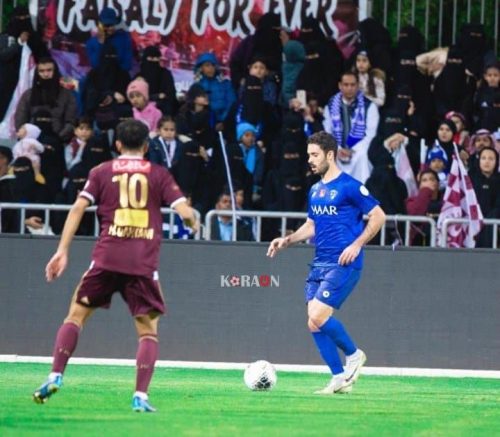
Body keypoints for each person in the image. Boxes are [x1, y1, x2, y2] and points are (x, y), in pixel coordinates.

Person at [32, 120, 199, 412]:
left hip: (106, 259)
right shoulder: (158, 174)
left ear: (118, 145)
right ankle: (140, 396)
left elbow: (78, 208)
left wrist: (62, 250)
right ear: (147, 146)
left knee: (75, 317)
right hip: (142, 264)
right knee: (148, 333)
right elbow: (185, 212)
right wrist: (191, 219)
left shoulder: (101, 171)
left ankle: (55, 374)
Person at [267, 131, 385, 394]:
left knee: (318, 314)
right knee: (313, 321)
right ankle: (339, 377)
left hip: (344, 262)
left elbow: (378, 216)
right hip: (319, 262)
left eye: (314, 155)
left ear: (330, 155)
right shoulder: (315, 190)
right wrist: (287, 240)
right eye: (309, 154)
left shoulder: (350, 187)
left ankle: (354, 355)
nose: (309, 160)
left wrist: (356, 245)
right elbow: (312, 225)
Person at [323, 72, 380, 183]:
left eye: (352, 85)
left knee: (363, 157)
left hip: (360, 151)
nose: (349, 88)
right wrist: (338, 150)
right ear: (340, 85)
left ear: (358, 85)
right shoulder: (330, 106)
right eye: (346, 85)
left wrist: (352, 150)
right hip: (337, 151)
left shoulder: (369, 106)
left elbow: (371, 135)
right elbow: (328, 132)